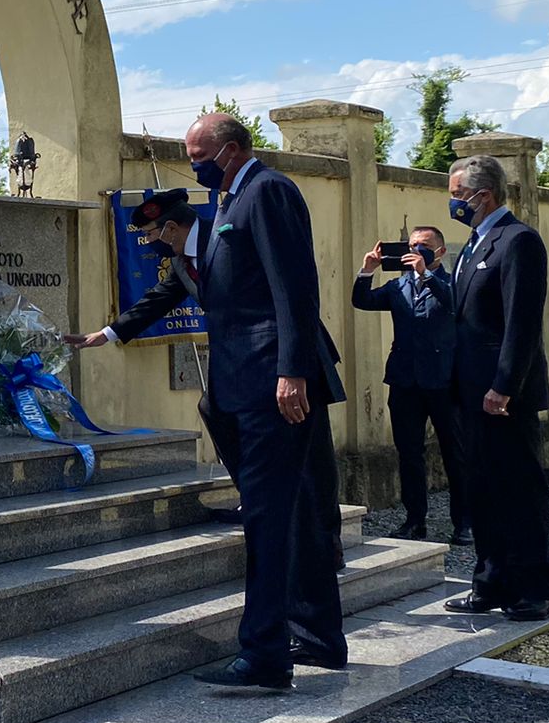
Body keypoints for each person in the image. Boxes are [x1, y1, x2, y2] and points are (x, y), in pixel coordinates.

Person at [105, 113, 347, 690]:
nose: (193, 164)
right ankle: (315, 639)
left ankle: (264, 656)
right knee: (285, 515)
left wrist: (292, 371)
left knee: (269, 517)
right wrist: (112, 332)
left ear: (231, 150)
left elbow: (295, 287)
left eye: (198, 154)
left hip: (271, 382)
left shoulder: (267, 190)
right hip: (245, 381)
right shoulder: (230, 201)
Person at [70, 193, 348, 570]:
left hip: (292, 356)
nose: (151, 243)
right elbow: (159, 299)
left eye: (153, 234)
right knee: (213, 408)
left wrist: (291, 366)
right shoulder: (184, 263)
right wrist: (107, 334)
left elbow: (290, 293)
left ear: (171, 227)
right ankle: (255, 497)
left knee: (313, 454)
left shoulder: (230, 237)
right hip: (244, 364)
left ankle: (327, 544)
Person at [442, 155, 549, 620]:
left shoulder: (518, 241)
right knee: (482, 489)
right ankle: (491, 582)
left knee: (519, 490)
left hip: (503, 396)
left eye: (457, 195)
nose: (453, 203)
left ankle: (537, 588)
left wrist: (505, 385)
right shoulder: (474, 244)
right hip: (470, 392)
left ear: (482, 195)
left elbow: (522, 323)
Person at [352, 227, 471, 544]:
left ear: (440, 252)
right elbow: (362, 300)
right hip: (405, 381)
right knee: (409, 454)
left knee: (455, 454)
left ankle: (465, 523)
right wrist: (367, 269)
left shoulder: (450, 282)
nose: (417, 250)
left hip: (443, 381)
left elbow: (456, 307)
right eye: (413, 245)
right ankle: (415, 520)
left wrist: (427, 276)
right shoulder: (398, 286)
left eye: (425, 246)